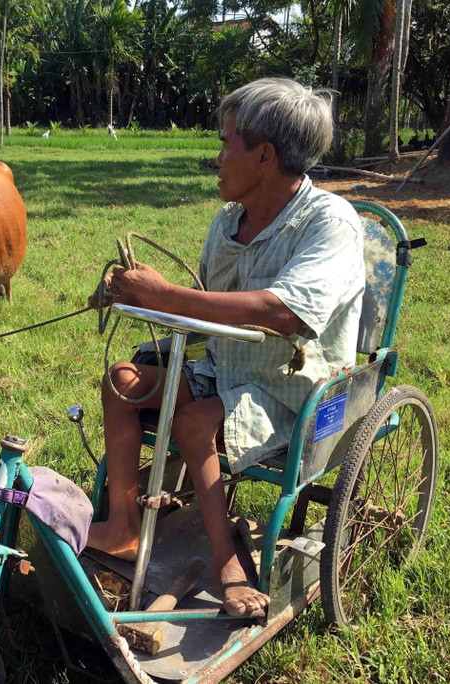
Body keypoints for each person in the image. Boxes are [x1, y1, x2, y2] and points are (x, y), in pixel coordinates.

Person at [86, 78, 365, 617]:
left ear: (263, 155)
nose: (217, 157)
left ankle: (228, 565)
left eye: (226, 142)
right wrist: (132, 296)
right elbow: (207, 309)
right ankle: (122, 526)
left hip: (295, 391)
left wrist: (166, 293)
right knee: (122, 383)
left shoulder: (330, 224)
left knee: (192, 424)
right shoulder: (226, 222)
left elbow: (284, 312)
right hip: (224, 369)